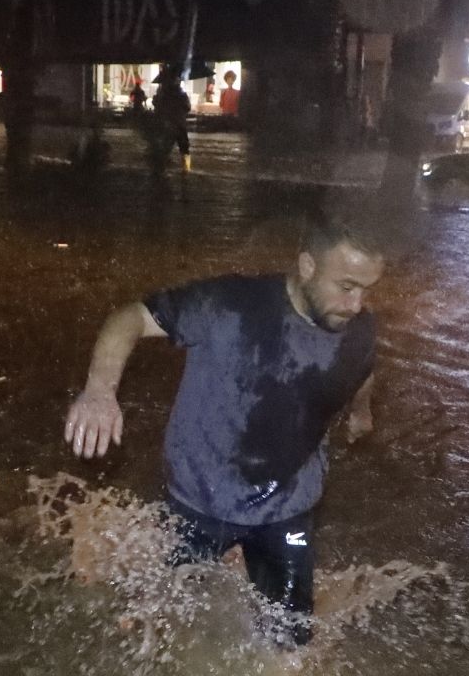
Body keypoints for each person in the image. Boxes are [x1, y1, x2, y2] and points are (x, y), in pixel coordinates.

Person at [64, 210, 385, 647]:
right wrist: (99, 391)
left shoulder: (358, 326)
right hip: (200, 498)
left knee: (290, 646)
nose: (356, 305)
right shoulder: (230, 303)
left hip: (288, 507)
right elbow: (131, 317)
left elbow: (363, 366)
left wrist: (361, 411)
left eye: (367, 289)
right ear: (308, 266)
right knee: (150, 628)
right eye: (346, 287)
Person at [153, 80, 192, 171]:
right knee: (184, 148)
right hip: (180, 124)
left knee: (166, 147)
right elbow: (188, 108)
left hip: (169, 124)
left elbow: (157, 105)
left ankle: (161, 167)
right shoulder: (183, 95)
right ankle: (186, 168)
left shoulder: (165, 95)